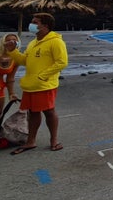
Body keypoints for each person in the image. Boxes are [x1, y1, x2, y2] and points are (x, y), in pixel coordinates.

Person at [6, 13, 68, 154]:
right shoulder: (33, 42)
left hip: (45, 84)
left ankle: (54, 140)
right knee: (32, 112)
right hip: (31, 84)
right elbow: (24, 61)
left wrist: (43, 76)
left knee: (49, 111)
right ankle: (31, 141)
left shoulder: (56, 41)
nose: (32, 25)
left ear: (45, 26)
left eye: (35, 22)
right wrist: (12, 51)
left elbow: (62, 62)